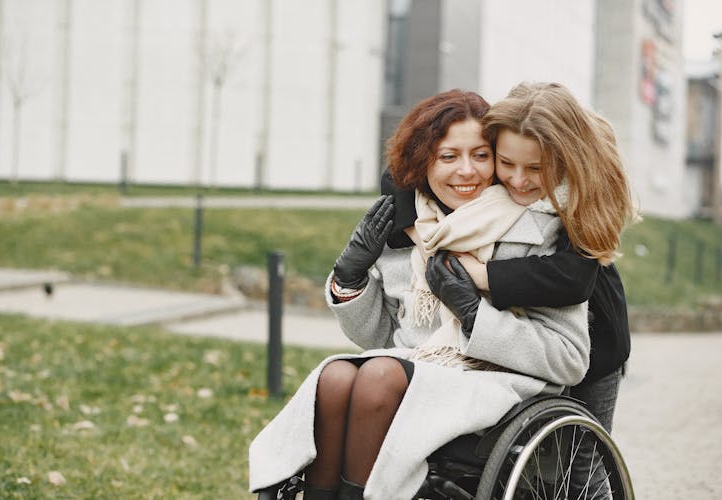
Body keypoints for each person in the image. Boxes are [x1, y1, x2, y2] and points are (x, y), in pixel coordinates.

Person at [249, 89, 590, 500]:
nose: (467, 171)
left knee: (378, 375)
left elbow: (570, 360)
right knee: (337, 377)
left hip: (498, 379)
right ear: (423, 161)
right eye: (448, 157)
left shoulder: (541, 228)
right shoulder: (409, 231)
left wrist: (473, 314)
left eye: (481, 156)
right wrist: (350, 276)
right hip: (417, 369)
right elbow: (384, 339)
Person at [383, 81, 637, 499]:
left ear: (562, 156)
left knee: (581, 474)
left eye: (535, 169)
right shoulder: (512, 130)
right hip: (528, 334)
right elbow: (397, 171)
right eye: (506, 164)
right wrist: (423, 236)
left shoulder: (585, 186)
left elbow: (574, 279)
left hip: (596, 337)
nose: (518, 180)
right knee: (524, 474)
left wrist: (478, 276)